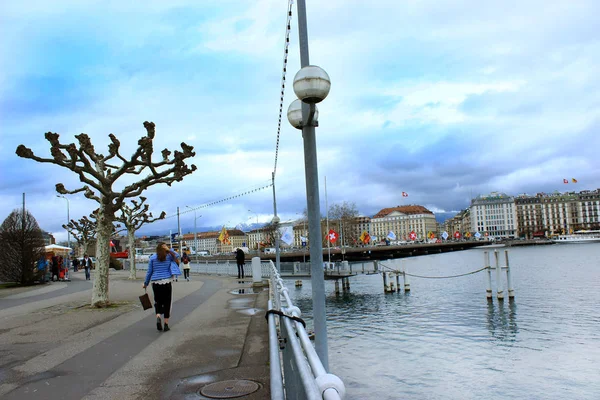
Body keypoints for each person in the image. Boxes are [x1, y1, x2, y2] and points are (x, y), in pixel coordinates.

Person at [143, 242, 179, 332]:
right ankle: (166, 324)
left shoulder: (152, 258)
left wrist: (145, 283)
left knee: (158, 301)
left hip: (155, 282)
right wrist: (168, 249)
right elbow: (177, 255)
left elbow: (149, 272)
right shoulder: (169, 256)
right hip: (167, 281)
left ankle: (158, 316)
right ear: (164, 248)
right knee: (167, 302)